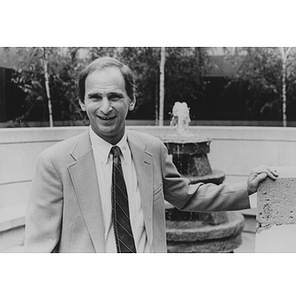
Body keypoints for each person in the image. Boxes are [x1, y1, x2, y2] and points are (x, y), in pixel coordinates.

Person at [24, 57, 278, 253]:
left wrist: (246, 188)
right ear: (82, 102)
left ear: (131, 100)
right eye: (95, 97)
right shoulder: (55, 162)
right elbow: (38, 251)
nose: (105, 108)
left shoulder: (152, 149)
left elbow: (188, 197)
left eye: (114, 96)